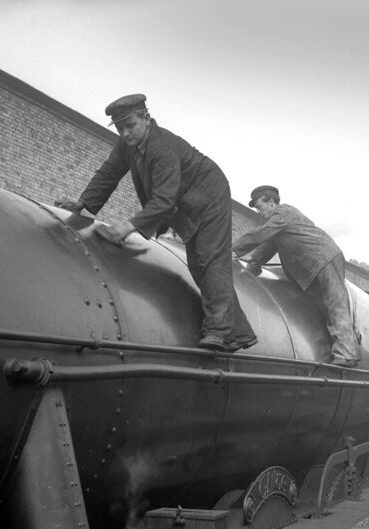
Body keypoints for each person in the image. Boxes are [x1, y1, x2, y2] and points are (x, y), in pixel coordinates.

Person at [55, 94, 256, 352]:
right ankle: (239, 333)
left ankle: (219, 331)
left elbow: (164, 198)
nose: (125, 133)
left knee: (210, 260)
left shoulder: (163, 148)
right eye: (120, 128)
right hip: (187, 200)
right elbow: (109, 173)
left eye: (131, 126)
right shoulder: (127, 144)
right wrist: (82, 203)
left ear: (146, 119)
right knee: (197, 265)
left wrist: (128, 226)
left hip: (210, 195)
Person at [232, 185, 359, 366]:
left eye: (259, 206)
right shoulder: (280, 224)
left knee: (335, 303)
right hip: (315, 263)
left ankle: (347, 354)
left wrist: (232, 250)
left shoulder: (284, 213)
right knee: (324, 306)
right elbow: (270, 245)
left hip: (324, 257)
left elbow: (261, 234)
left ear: (271, 201)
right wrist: (253, 261)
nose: (258, 212)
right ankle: (333, 351)